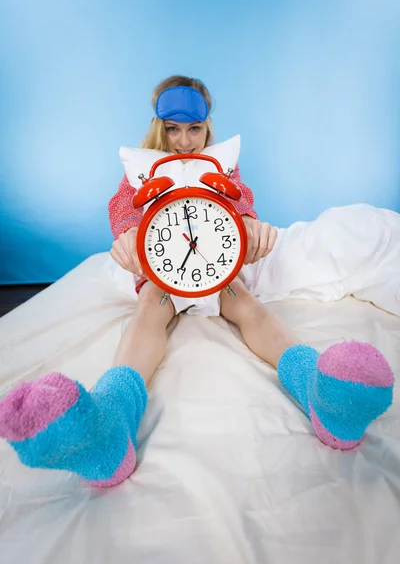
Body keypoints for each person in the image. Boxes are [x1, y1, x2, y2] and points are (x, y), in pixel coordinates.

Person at [0, 75, 394, 488]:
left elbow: (239, 196)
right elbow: (124, 208)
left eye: (194, 129)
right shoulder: (143, 167)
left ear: (207, 127)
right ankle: (110, 425)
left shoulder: (221, 163)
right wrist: (129, 234)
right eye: (173, 129)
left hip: (216, 267)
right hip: (163, 271)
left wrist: (248, 223)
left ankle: (320, 394)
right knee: (148, 314)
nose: (184, 141)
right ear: (159, 126)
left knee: (247, 307)